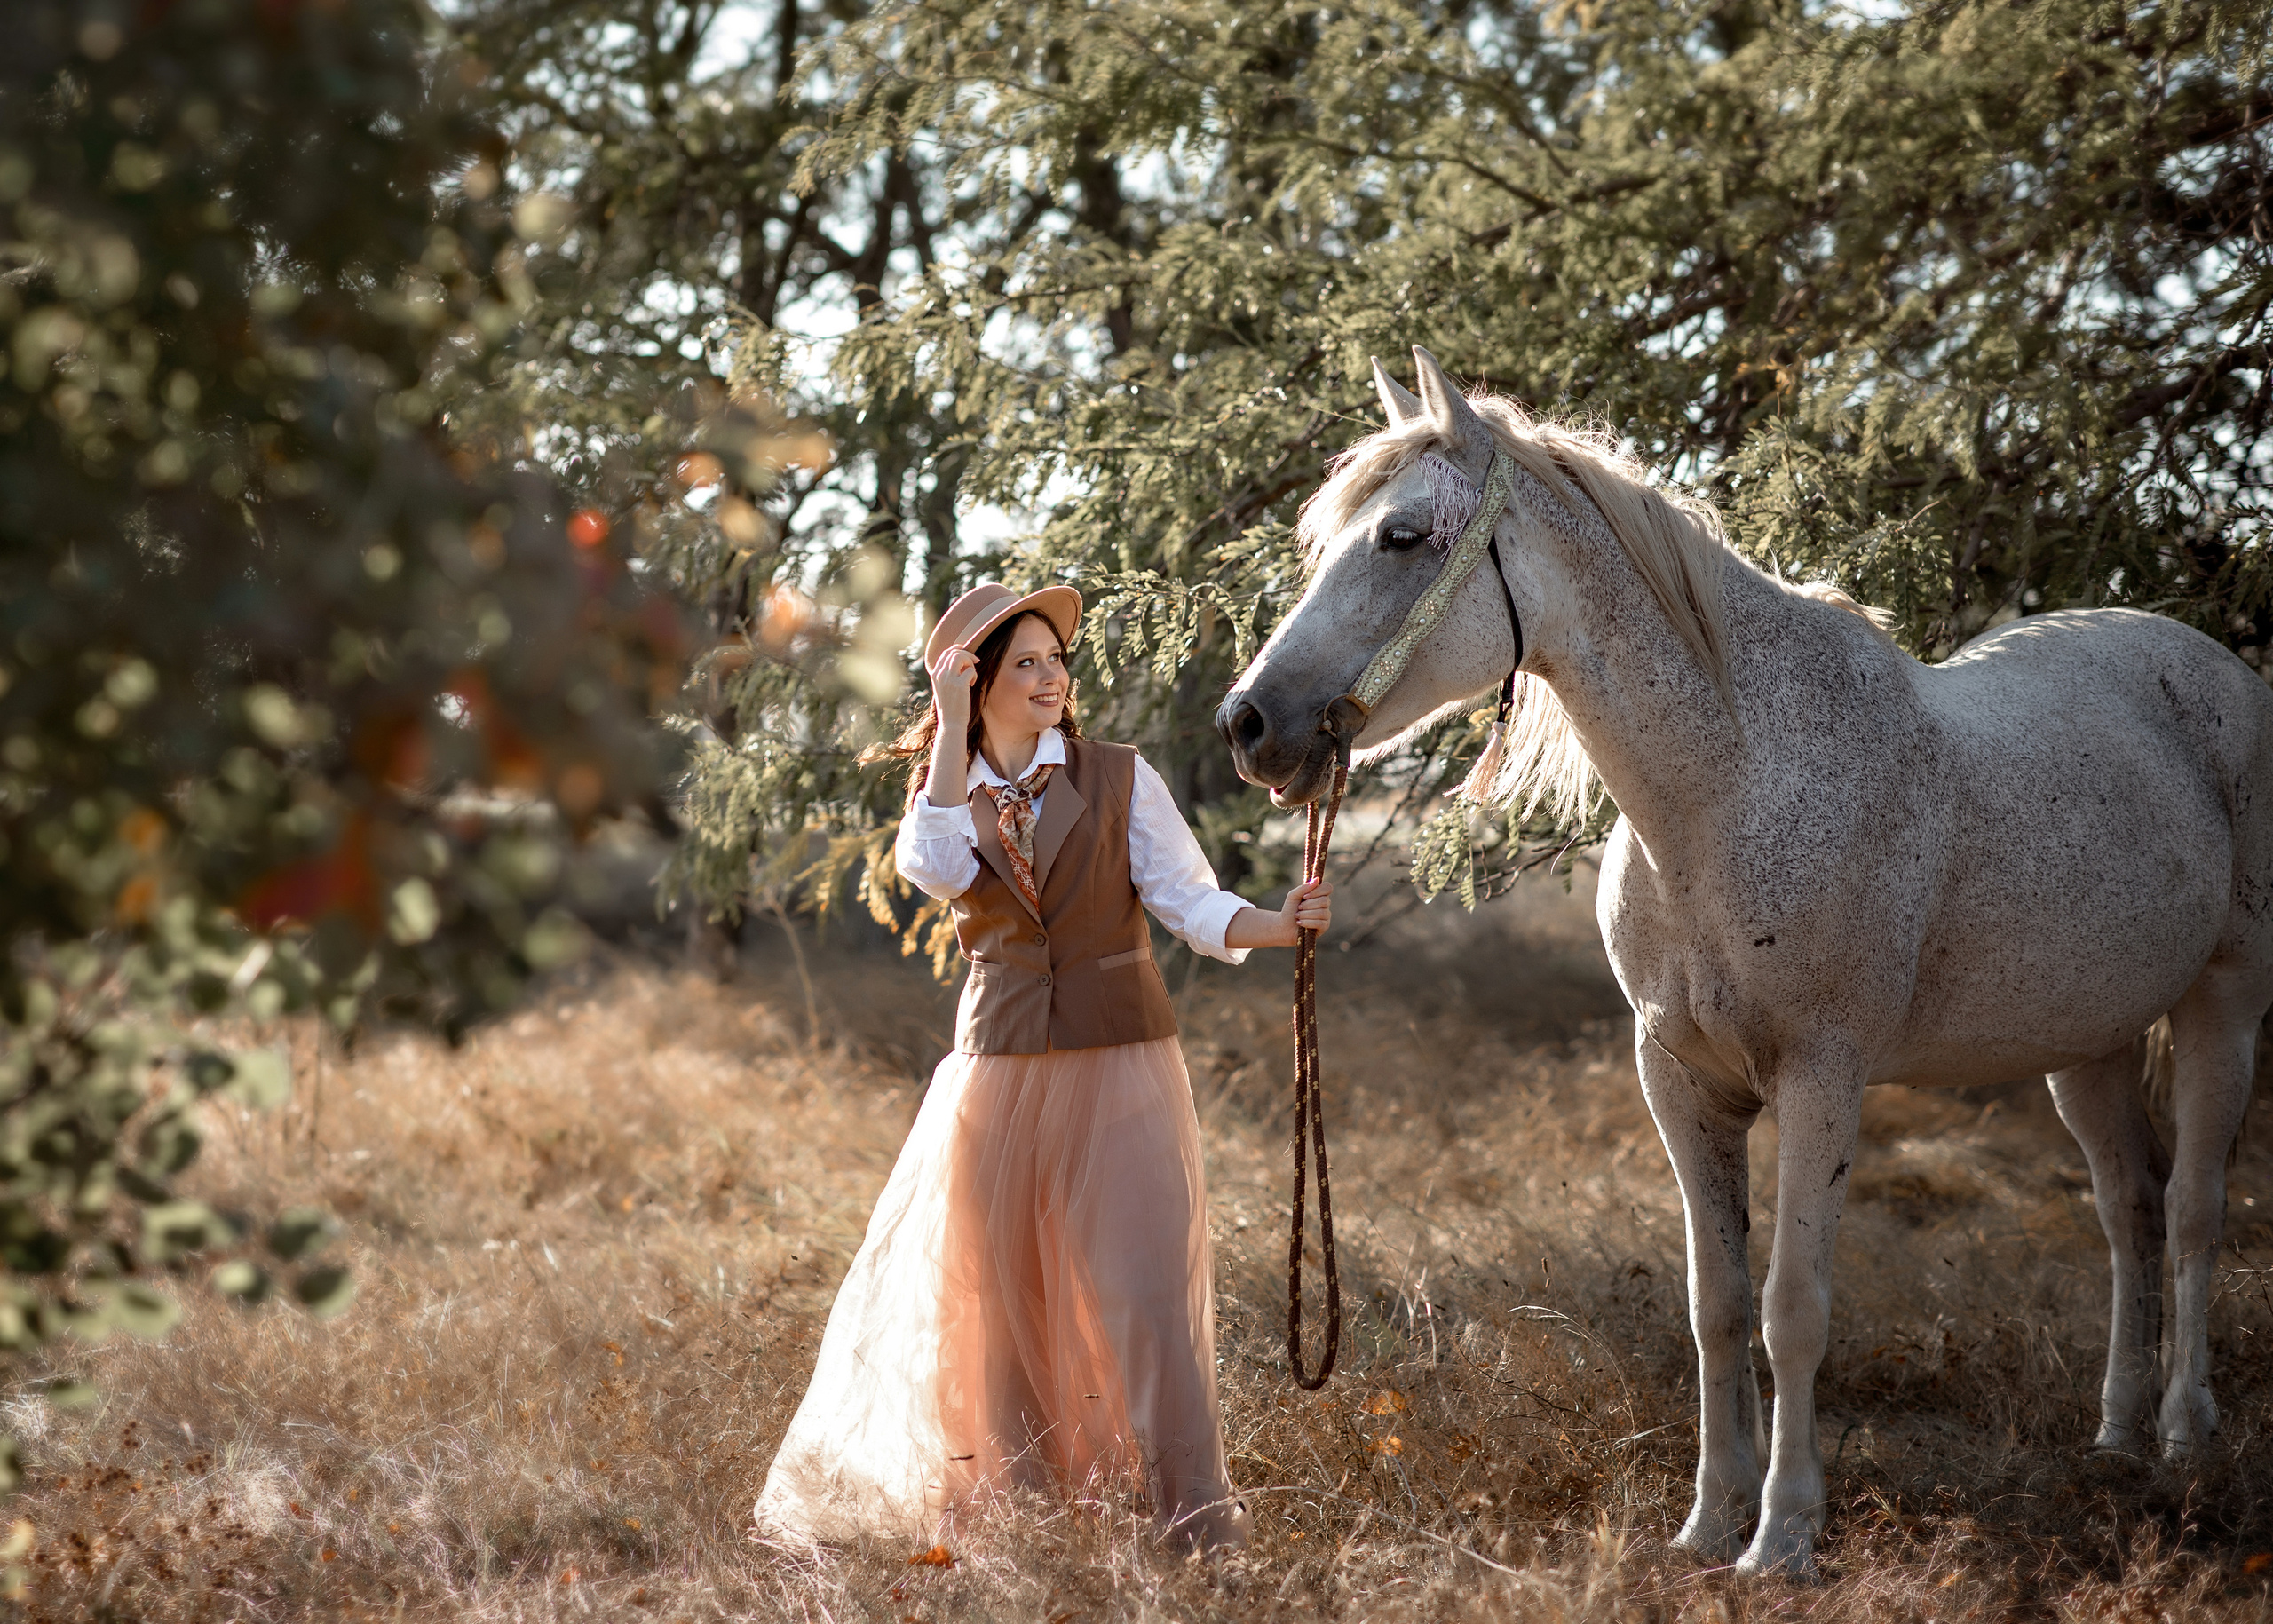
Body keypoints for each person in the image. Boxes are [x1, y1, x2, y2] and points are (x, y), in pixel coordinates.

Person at [754, 581, 1331, 1553]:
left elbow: (1184, 897)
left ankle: (1189, 1521)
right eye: (1024, 661)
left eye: (1056, 660)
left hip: (1124, 1061)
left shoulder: (1118, 773)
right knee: (999, 1300)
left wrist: (1273, 924)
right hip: (1000, 1069)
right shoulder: (947, 792)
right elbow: (933, 870)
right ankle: (1026, 1520)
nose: (1050, 676)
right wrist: (947, 735)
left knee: (1144, 1296)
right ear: (972, 683)